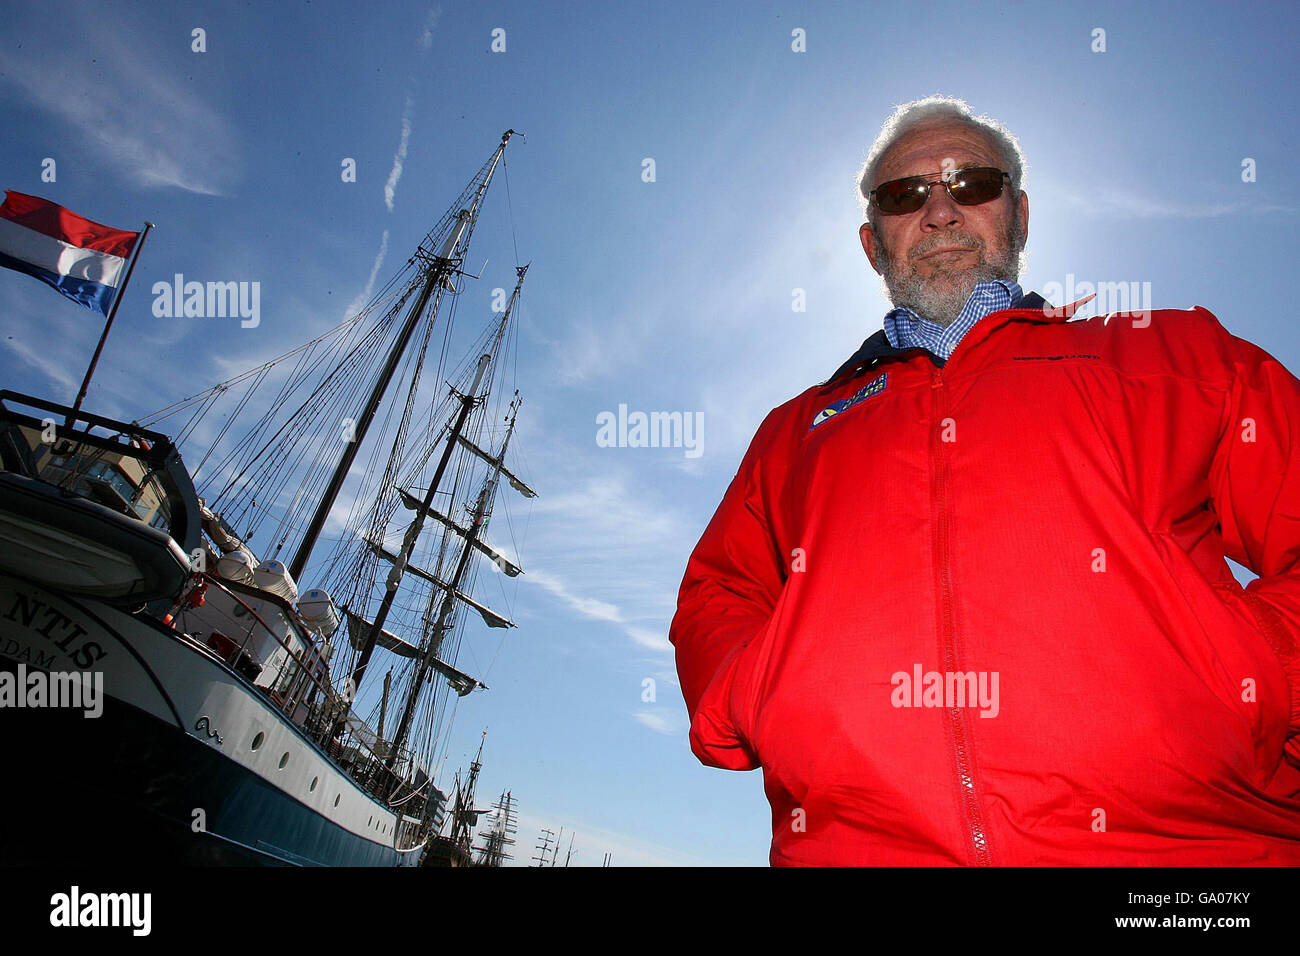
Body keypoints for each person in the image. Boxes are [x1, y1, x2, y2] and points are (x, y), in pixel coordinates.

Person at [669, 95, 1300, 865]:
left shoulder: (1172, 355)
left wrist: (1251, 671)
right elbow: (718, 592)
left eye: (971, 184)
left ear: (1020, 215)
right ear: (873, 242)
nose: (939, 211)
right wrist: (763, 695)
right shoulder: (794, 433)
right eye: (905, 194)